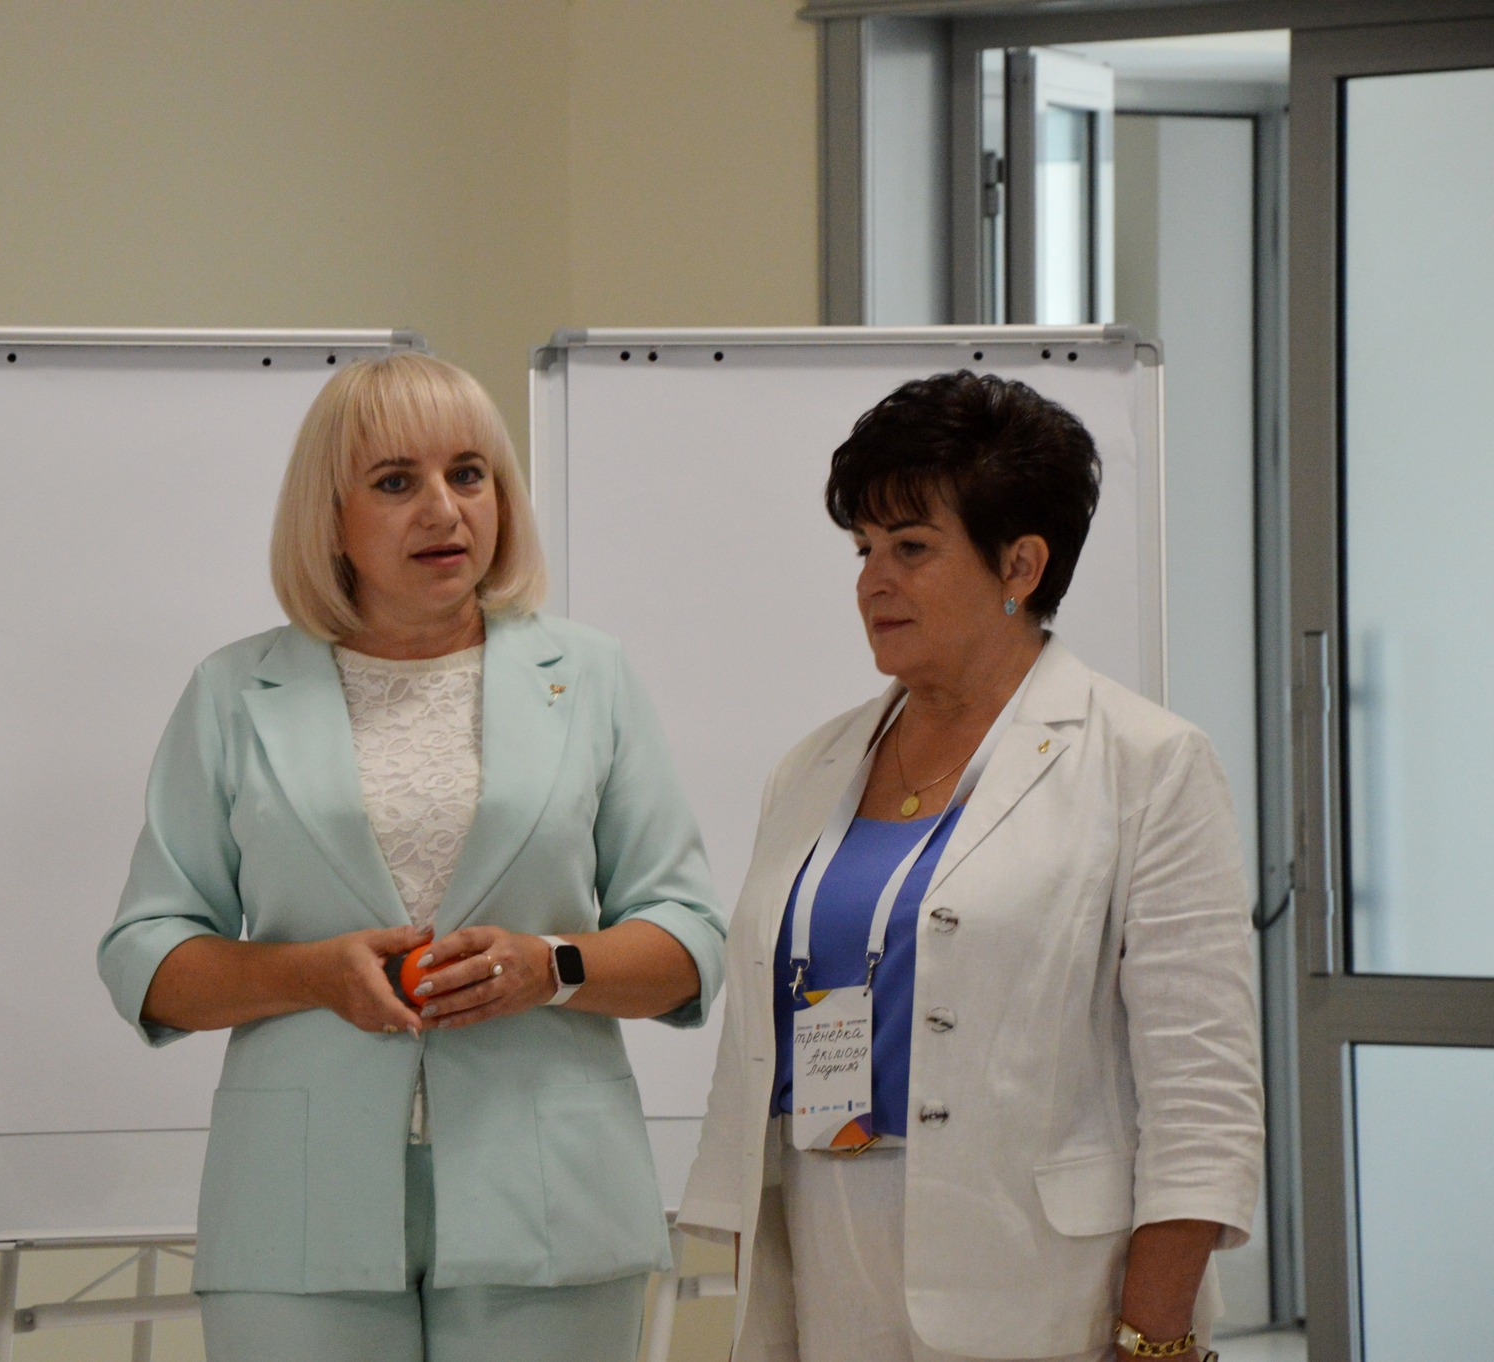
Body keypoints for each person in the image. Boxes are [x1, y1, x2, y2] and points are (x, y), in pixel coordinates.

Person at [97, 351, 727, 1362]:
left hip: (551, 1195)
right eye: (396, 482)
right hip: (298, 1207)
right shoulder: (232, 692)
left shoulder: (590, 677)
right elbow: (147, 957)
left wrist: (551, 966)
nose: (444, 509)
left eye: (468, 474)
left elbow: (689, 941)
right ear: (329, 518)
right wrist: (310, 973)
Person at [678, 372, 1263, 1362]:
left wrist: (1154, 1336)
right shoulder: (811, 767)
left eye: (910, 548)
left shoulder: (1146, 764)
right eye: (863, 549)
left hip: (1042, 1287)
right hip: (822, 1262)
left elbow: (1201, 1092)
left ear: (1019, 565)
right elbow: (754, 1049)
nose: (872, 581)